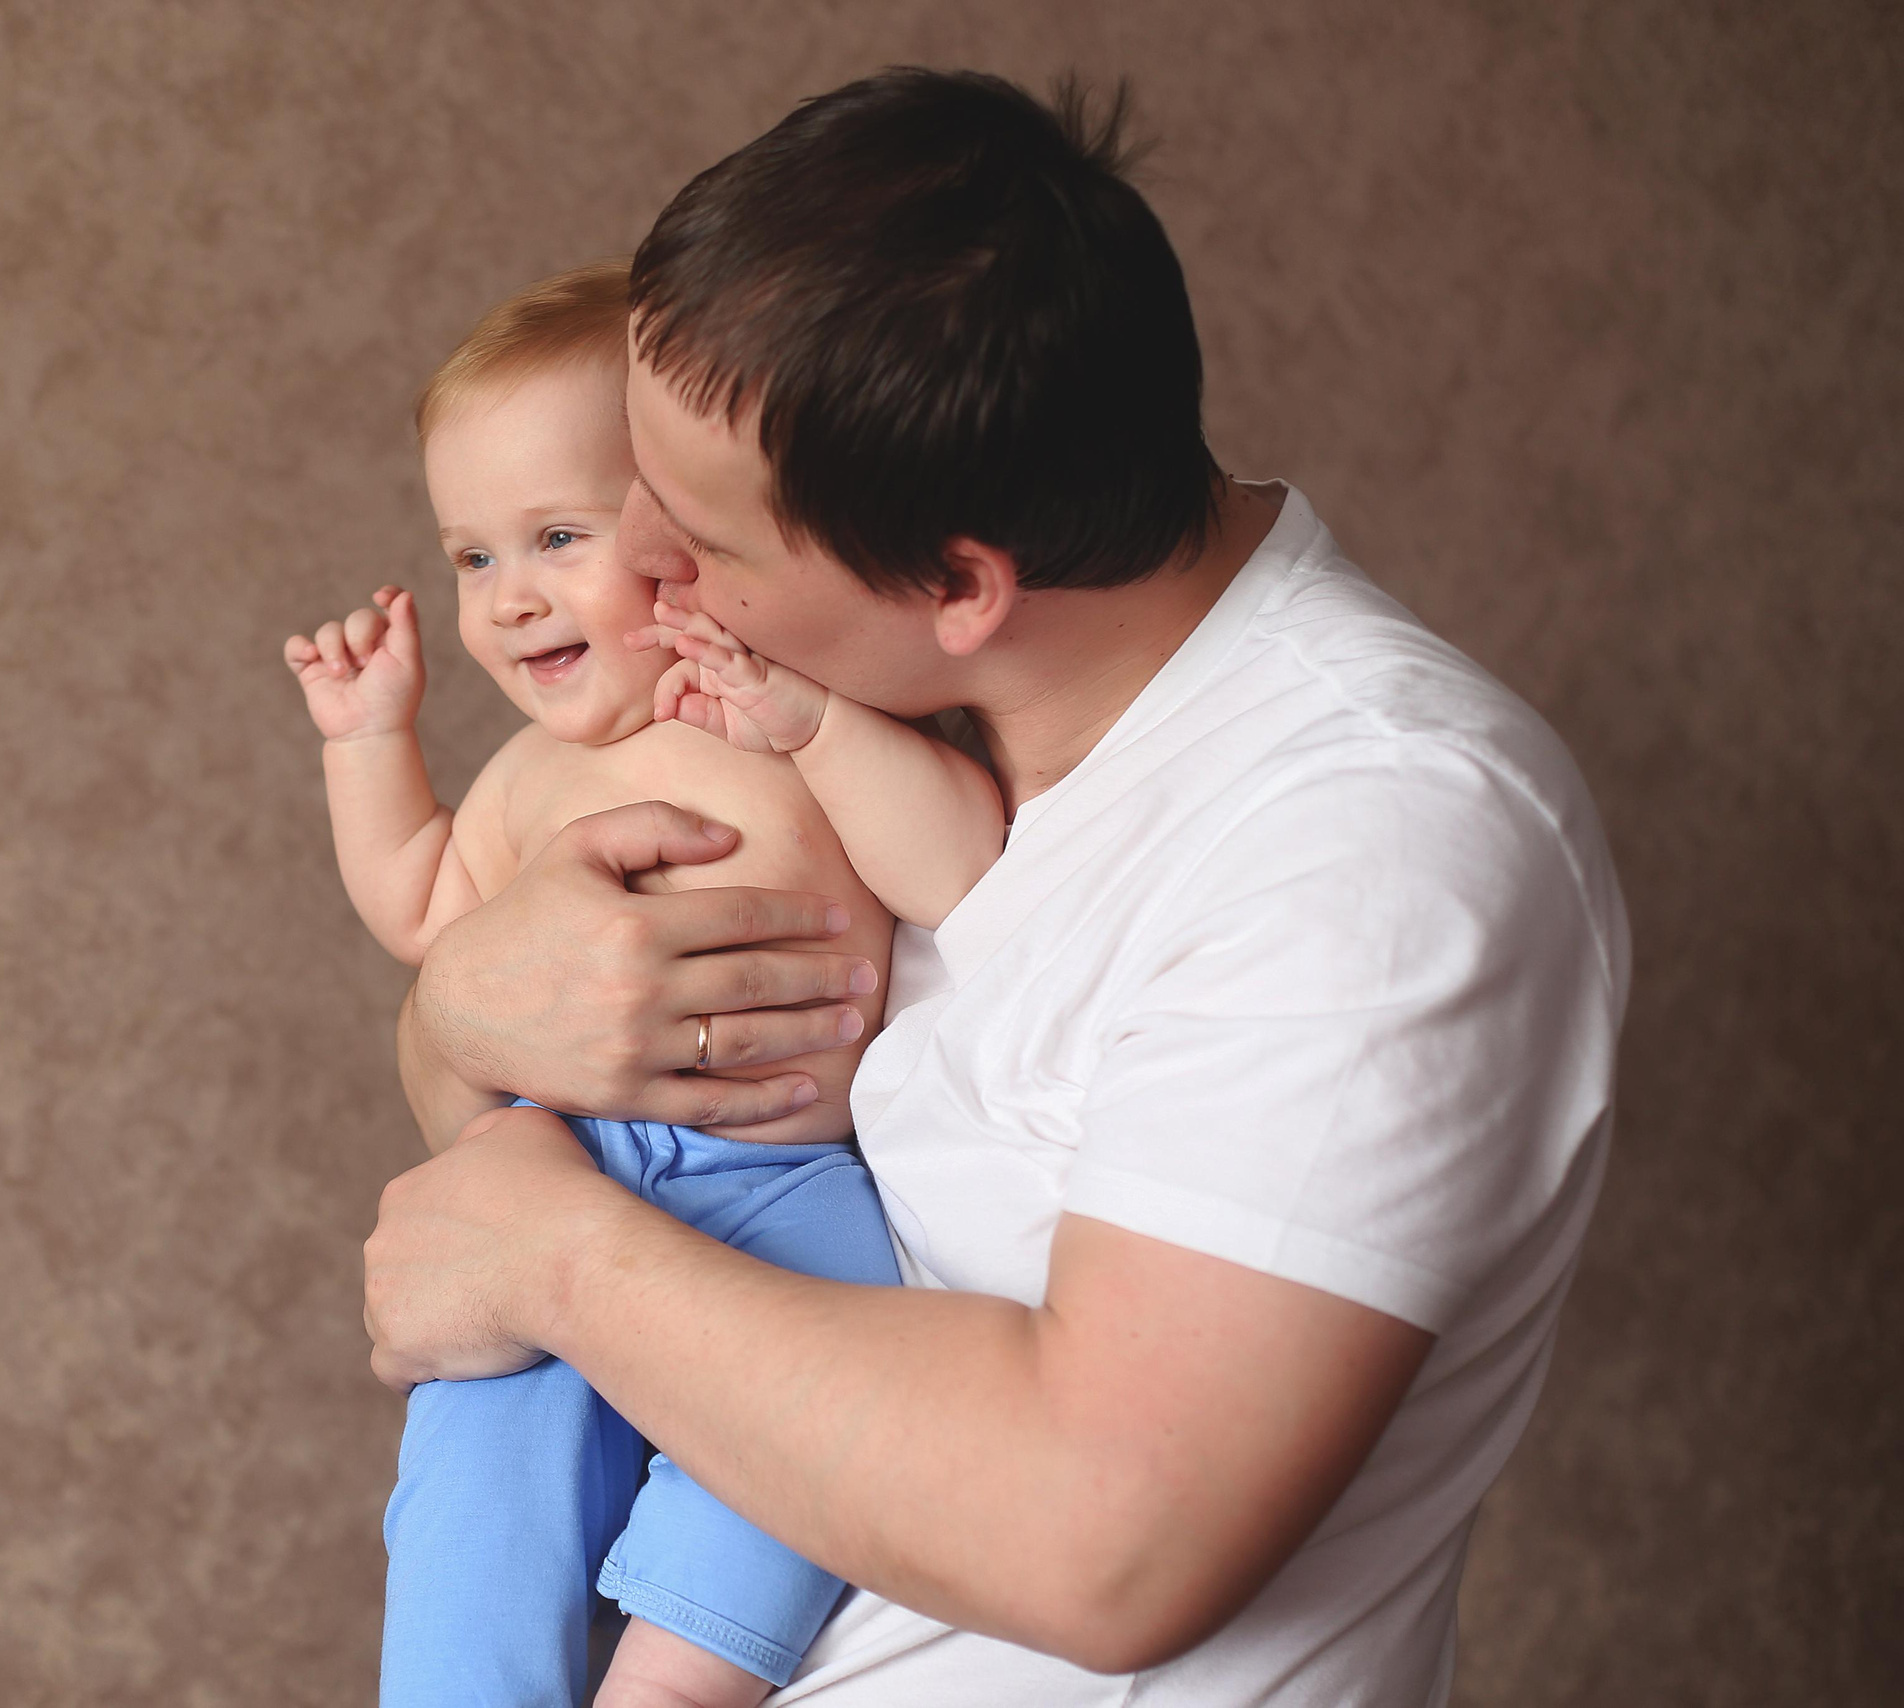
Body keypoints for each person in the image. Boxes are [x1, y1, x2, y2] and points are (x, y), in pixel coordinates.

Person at [363, 68, 1630, 1705]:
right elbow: (522, 1109)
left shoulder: (1372, 830)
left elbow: (1114, 1534)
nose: (638, 575)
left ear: (960, 581)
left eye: (700, 539)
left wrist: (557, 1260)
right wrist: (458, 1016)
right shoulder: (847, 710)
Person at [283, 261, 1000, 1707]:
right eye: (471, 557)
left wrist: (814, 724)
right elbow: (426, 913)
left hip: (782, 1182)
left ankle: (674, 1679)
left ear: (677, 530)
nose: (509, 597)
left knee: (813, 1426)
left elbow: (964, 867)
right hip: (564, 1176)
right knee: (477, 1466)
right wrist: (369, 748)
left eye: (555, 535)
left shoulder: (774, 709)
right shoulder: (523, 781)